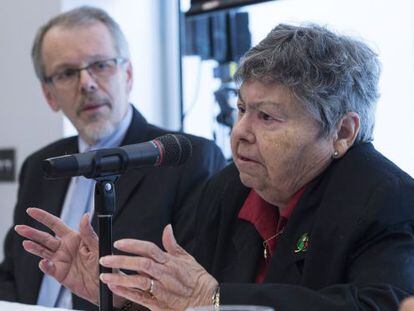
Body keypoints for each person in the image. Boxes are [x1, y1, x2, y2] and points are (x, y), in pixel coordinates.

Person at [16, 23, 414, 310]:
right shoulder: (230, 188)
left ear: (342, 131)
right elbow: (180, 294)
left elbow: (380, 305)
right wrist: (126, 299)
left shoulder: (386, 197)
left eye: (267, 117)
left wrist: (216, 300)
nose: (240, 131)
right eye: (242, 109)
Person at [0, 6, 225, 311]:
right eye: (67, 73)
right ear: (49, 95)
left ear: (128, 74)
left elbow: (191, 294)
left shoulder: (186, 159)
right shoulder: (41, 165)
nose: (87, 84)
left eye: (101, 65)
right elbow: (13, 277)